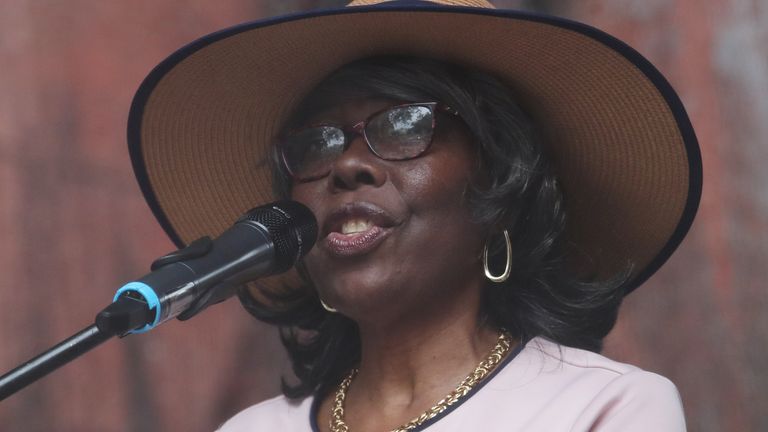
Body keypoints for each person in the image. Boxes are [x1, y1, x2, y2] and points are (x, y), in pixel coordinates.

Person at [127, 1, 702, 431]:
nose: (348, 165)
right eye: (315, 145)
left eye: (404, 126)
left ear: (500, 187)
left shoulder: (606, 407)